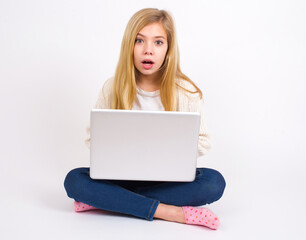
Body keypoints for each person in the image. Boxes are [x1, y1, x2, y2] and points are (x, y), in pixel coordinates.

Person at [64, 8, 226, 230]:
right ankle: (169, 212)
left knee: (214, 183)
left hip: (169, 181)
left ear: (168, 49)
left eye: (158, 42)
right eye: (140, 41)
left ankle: (107, 200)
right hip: (121, 176)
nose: (148, 50)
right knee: (74, 179)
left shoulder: (186, 91)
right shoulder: (112, 88)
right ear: (129, 46)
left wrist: (166, 149)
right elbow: (93, 139)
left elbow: (204, 141)